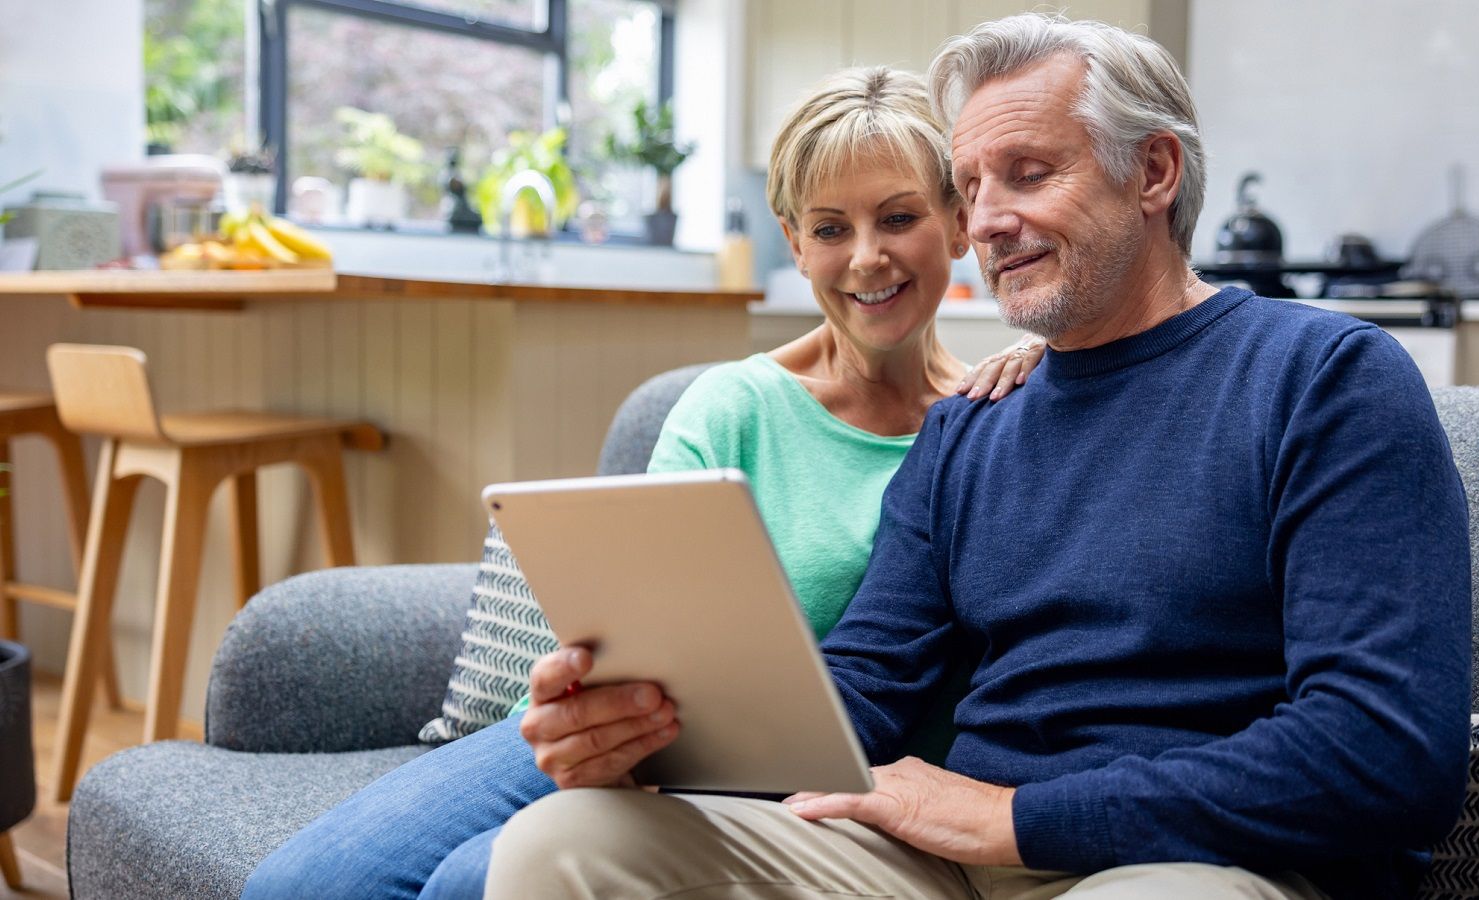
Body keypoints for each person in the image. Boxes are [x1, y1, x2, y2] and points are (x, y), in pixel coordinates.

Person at [488, 14, 1471, 900]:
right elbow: (865, 689)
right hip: (953, 863)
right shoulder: (971, 427)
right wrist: (648, 738)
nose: (986, 221)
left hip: (1202, 863)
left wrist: (1011, 819)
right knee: (566, 842)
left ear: (1154, 173)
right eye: (969, 188)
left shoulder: (1324, 380)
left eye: (1030, 174)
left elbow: (1380, 752)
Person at [239, 68, 1044, 900]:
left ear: (957, 223)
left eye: (899, 217)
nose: (867, 256)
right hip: (631, 733)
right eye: (830, 227)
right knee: (297, 886)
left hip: (792, 787)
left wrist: (1040, 367)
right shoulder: (731, 406)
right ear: (794, 242)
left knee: (467, 884)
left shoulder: (993, 419)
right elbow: (633, 624)